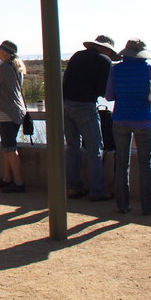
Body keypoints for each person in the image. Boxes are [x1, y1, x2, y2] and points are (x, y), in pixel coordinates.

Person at [106, 39, 151, 215]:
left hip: (120, 119)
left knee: (122, 163)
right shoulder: (149, 70)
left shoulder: (115, 69)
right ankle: (147, 206)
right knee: (145, 163)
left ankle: (122, 204)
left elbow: (109, 96)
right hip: (143, 119)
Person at [62, 35, 118, 201]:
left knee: (72, 147)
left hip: (65, 104)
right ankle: (96, 191)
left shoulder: (77, 55)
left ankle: (74, 187)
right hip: (85, 105)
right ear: (107, 49)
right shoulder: (104, 61)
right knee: (95, 149)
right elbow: (104, 91)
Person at [0, 39, 27, 193]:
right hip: (17, 110)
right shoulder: (17, 67)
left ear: (6, 53)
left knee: (9, 147)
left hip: (6, 111)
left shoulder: (4, 67)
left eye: (0, 50)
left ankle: (18, 181)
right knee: (7, 146)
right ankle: (6, 177)